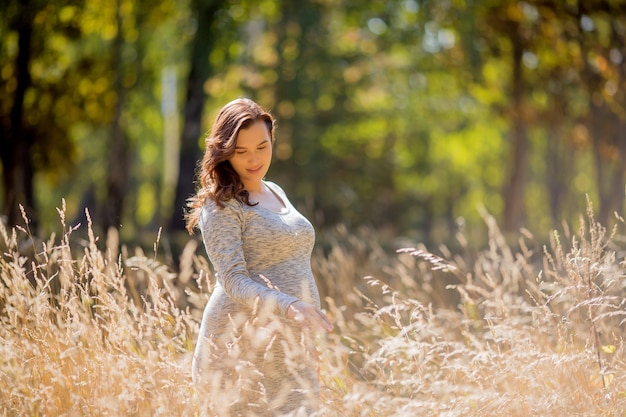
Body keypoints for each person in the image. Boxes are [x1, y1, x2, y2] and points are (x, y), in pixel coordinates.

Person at [186, 98, 333, 416]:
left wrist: (305, 340)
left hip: (288, 348)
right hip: (239, 347)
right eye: (241, 151)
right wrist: (290, 305)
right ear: (225, 151)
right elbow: (233, 281)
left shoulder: (275, 190)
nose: (254, 160)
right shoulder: (222, 204)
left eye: (262, 147)